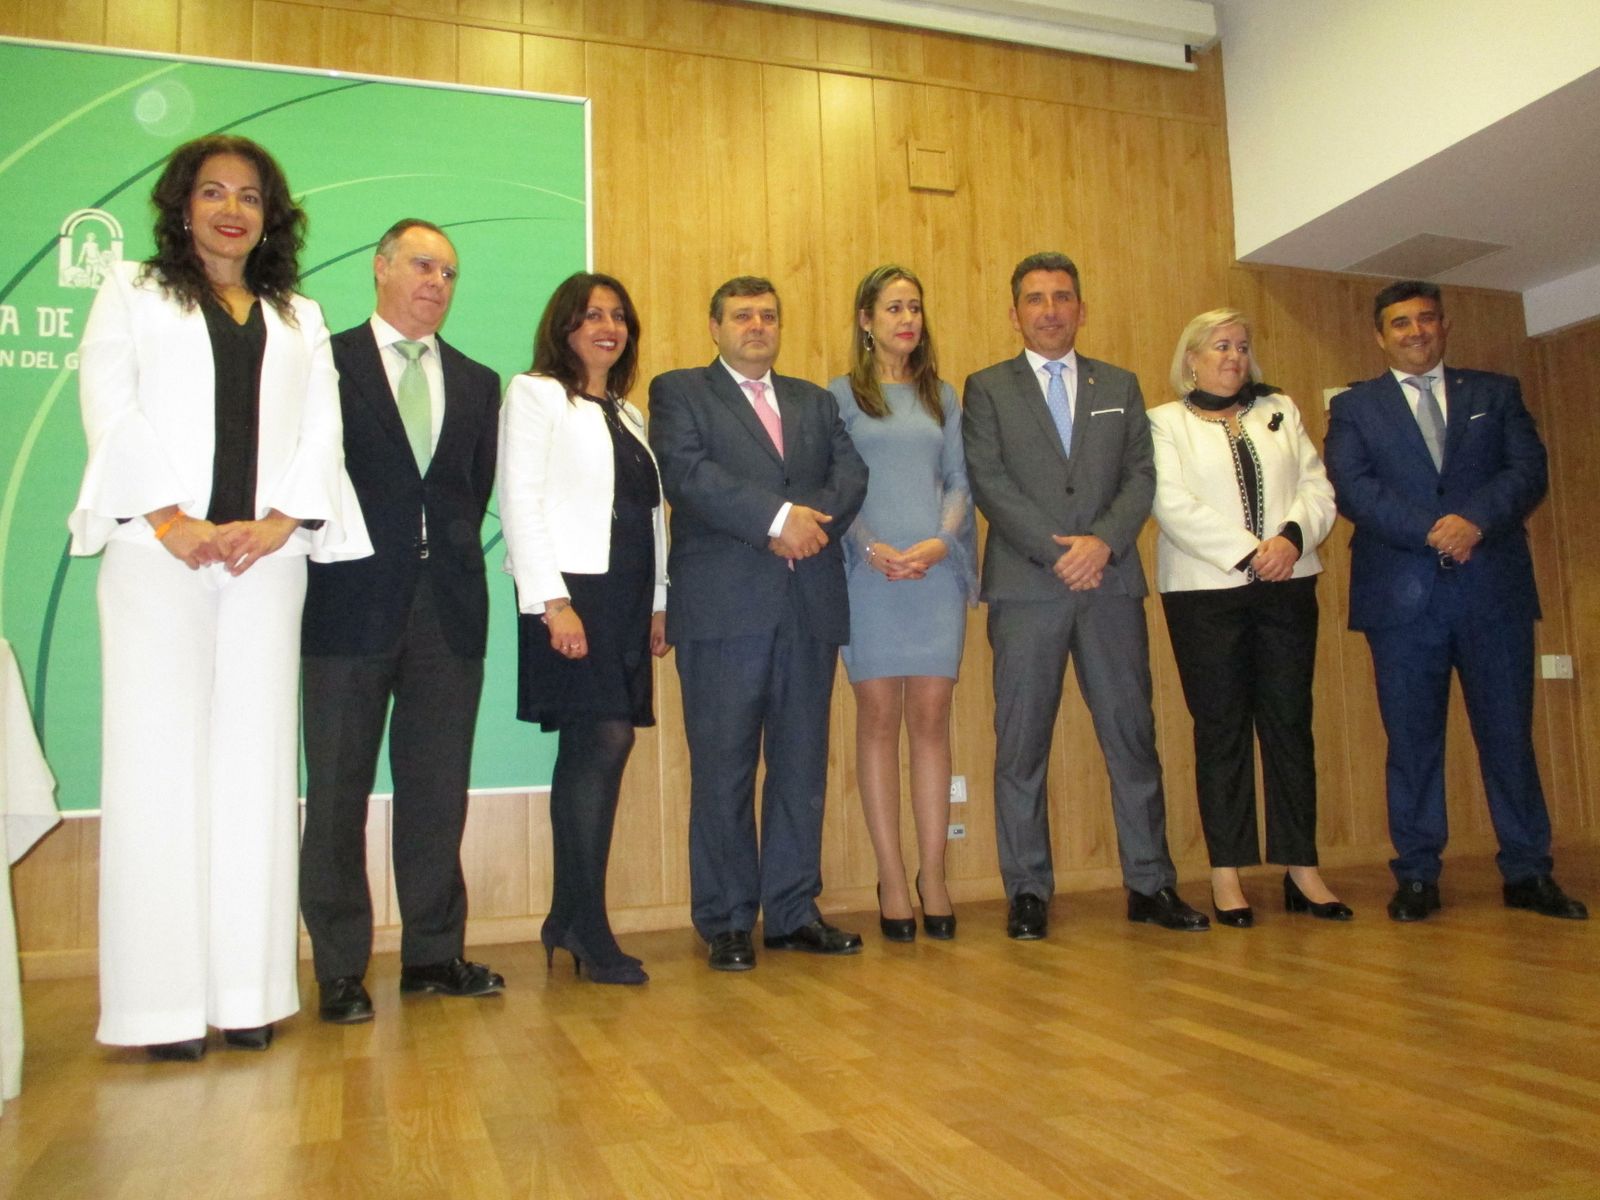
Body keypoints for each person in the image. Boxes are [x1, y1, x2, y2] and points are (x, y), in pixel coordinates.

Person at [68, 135, 369, 1060]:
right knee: (156, 772)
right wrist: (170, 518)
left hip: (264, 564)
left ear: (271, 216)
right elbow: (110, 408)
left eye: (249, 195)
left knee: (257, 772)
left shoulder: (299, 315)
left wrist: (278, 523)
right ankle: (159, 1010)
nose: (231, 209)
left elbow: (322, 429)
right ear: (183, 206)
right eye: (213, 192)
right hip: (156, 557)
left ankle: (246, 995)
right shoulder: (132, 290)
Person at [962, 252, 1208, 938]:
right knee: (1021, 747)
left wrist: (1101, 543)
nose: (1050, 310)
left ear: (1081, 308)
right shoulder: (986, 388)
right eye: (1035, 299)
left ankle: (1151, 884)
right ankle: (1027, 891)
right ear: (1014, 313)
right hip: (1026, 589)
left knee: (1133, 738)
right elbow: (989, 482)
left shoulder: (1120, 384)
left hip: (1110, 585)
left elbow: (1140, 477)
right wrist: (1059, 553)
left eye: (1062, 297)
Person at [1324, 280, 1586, 922]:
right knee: (1412, 744)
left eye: (1426, 319)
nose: (1415, 331)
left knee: (1509, 738)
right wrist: (1432, 530)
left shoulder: (1495, 393)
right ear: (1379, 336)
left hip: (1492, 592)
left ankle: (1528, 871)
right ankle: (1417, 876)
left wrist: (1474, 523)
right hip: (1401, 603)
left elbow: (1527, 471)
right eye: (1400, 322)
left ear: (1444, 326)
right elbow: (1352, 488)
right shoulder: (1355, 407)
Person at [300, 219, 504, 1024]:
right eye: (422, 265)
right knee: (337, 793)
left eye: (449, 273)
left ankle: (432, 955)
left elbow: (469, 493)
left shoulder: (479, 381)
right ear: (380, 267)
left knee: (436, 792)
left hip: (447, 612)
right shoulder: (325, 362)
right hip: (346, 606)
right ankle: (340, 969)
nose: (437, 283)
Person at [649, 276, 868, 971]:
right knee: (724, 770)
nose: (757, 326)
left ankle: (794, 912)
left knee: (801, 768)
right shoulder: (680, 392)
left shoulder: (814, 401)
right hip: (723, 611)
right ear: (714, 327)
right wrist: (778, 520)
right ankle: (726, 920)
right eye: (742, 316)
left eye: (768, 316)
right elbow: (687, 476)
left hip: (808, 606)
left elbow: (851, 477)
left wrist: (807, 526)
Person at [1149, 309, 1348, 927]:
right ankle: (1226, 872)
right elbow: (1170, 502)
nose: (1233, 356)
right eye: (1219, 346)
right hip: (1205, 592)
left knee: (1290, 723)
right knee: (1221, 729)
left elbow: (1317, 488)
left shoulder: (1279, 409)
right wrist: (1247, 552)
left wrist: (1290, 540)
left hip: (1288, 583)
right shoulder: (1164, 422)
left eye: (1240, 345)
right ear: (1191, 359)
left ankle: (1302, 868)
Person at [499, 273, 669, 985]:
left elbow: (649, 514)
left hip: (626, 597)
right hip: (573, 594)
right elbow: (519, 498)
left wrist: (659, 599)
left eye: (619, 316)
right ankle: (582, 922)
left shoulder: (628, 413)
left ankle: (569, 917)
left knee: (596, 747)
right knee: (602, 740)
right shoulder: (536, 394)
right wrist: (551, 601)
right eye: (592, 315)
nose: (609, 327)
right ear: (564, 326)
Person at [827, 265, 975, 941]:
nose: (907, 319)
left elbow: (959, 481)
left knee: (933, 718)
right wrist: (871, 547)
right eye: (892, 308)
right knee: (879, 718)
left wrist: (942, 542)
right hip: (869, 576)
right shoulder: (839, 398)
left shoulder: (942, 395)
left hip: (934, 575)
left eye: (914, 307)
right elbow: (835, 487)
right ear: (866, 320)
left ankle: (933, 875)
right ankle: (891, 877)